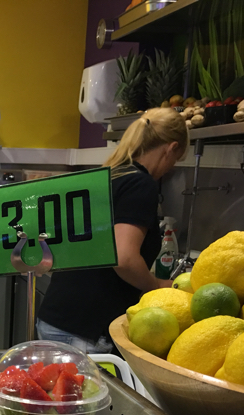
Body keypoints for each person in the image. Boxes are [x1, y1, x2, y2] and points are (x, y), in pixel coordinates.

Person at [36, 107, 189, 353]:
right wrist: (156, 284)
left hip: (57, 317)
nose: (170, 168)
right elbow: (124, 257)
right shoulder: (140, 184)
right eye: (176, 159)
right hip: (86, 329)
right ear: (170, 148)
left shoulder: (109, 175)